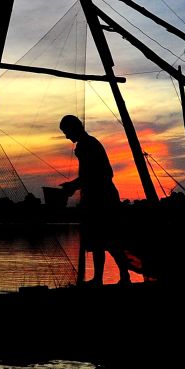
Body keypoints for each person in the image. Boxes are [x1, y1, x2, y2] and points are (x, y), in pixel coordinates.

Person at [58, 114, 130, 285]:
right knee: (101, 240)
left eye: (66, 132)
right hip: (100, 197)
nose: (66, 137)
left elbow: (95, 175)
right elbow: (89, 176)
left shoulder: (86, 145)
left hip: (102, 199)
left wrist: (72, 186)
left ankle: (118, 277)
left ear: (73, 128)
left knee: (108, 239)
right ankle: (102, 278)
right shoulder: (88, 143)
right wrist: (74, 185)